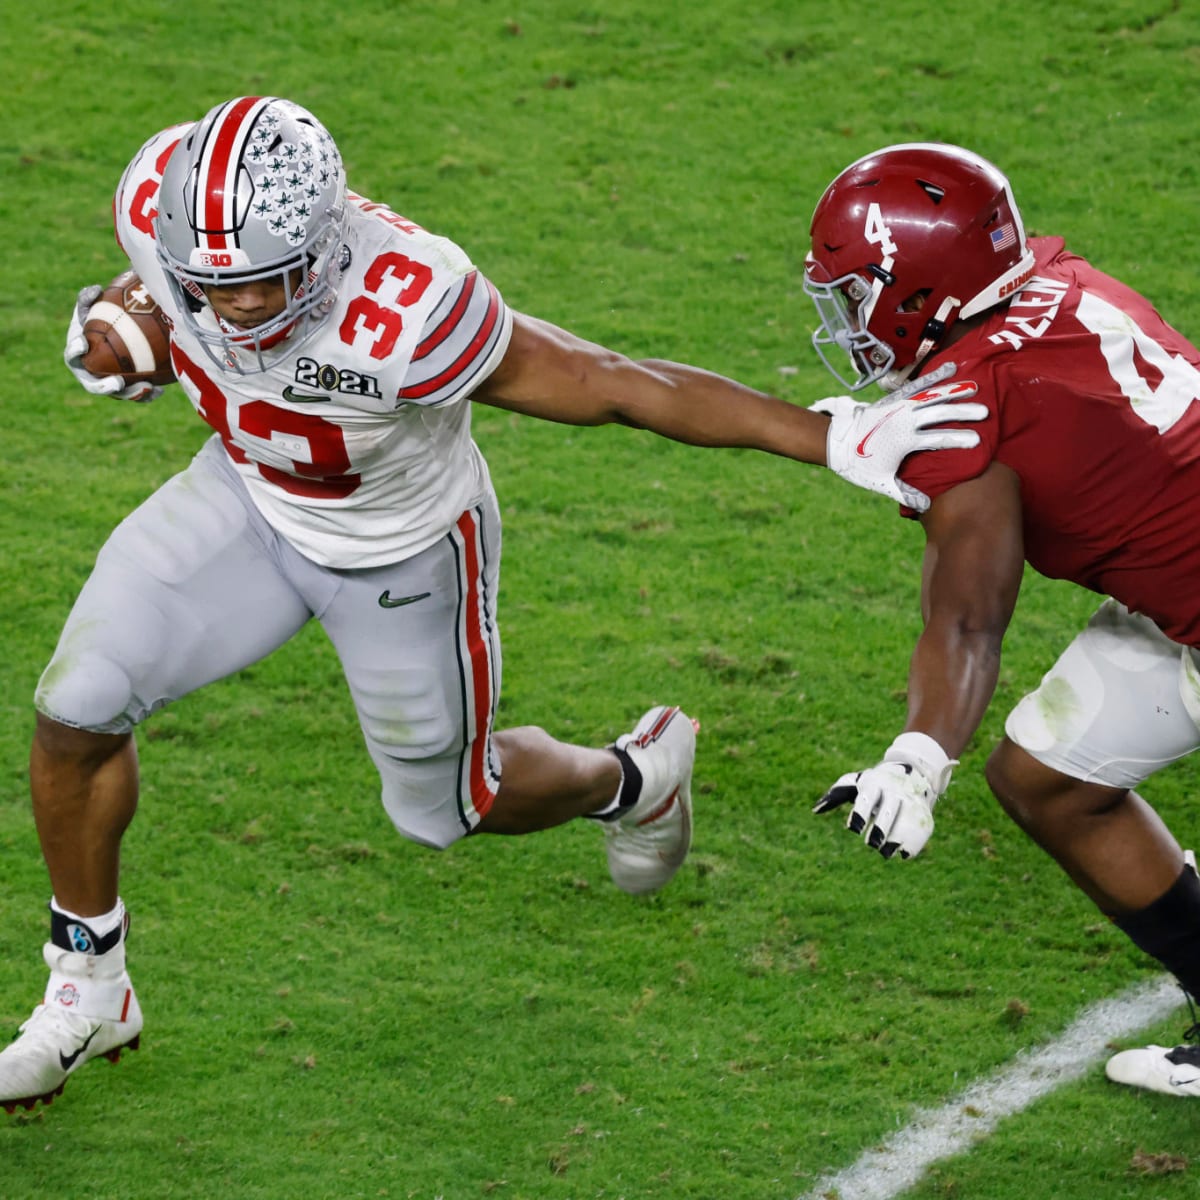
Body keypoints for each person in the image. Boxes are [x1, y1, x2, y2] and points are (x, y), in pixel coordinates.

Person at [0, 99, 986, 1114]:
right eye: (208, 287)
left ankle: (632, 777)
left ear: (325, 245)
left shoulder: (414, 308)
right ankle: (90, 986)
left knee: (445, 809)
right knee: (77, 707)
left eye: (260, 284)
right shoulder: (158, 201)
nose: (233, 310)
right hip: (244, 502)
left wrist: (822, 436)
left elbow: (613, 384)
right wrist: (116, 326)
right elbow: (153, 306)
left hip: (403, 552)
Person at [804, 140, 1200, 1098]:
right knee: (1049, 781)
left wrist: (917, 759)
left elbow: (969, 620)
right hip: (1182, 604)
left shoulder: (975, 403)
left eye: (855, 292)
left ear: (918, 291)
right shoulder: (1054, 282)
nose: (845, 318)